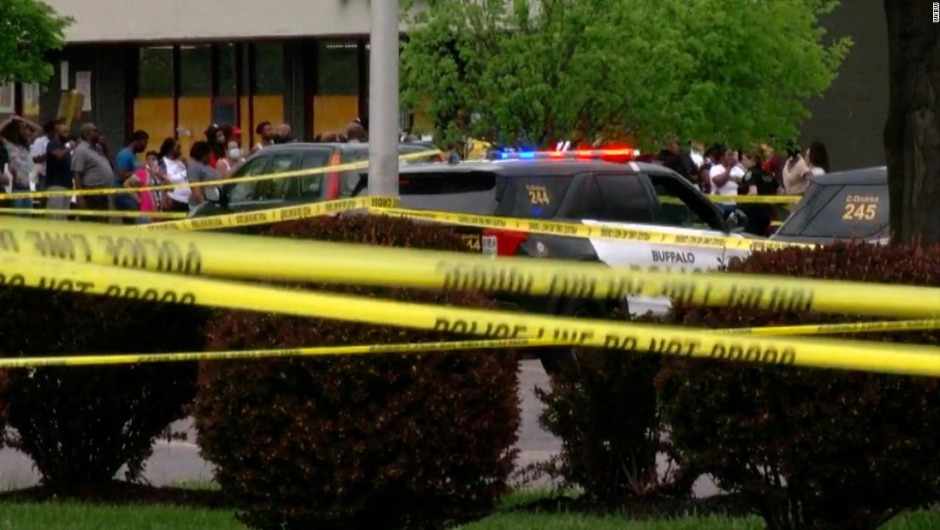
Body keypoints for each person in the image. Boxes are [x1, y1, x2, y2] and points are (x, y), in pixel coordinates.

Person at [71, 123, 116, 219]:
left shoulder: (99, 148)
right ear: (86, 133)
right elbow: (77, 174)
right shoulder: (81, 150)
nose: (98, 133)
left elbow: (112, 164)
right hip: (92, 193)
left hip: (104, 194)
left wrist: (105, 147)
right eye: (95, 131)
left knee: (103, 223)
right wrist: (80, 196)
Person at [0, 115, 42, 209]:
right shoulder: (8, 144)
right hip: (15, 188)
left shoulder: (26, 145)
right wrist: (9, 120)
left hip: (27, 187)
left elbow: (39, 130)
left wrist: (23, 120)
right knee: (17, 217)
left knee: (28, 218)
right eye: (23, 129)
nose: (27, 132)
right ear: (16, 131)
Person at [739, 149, 780, 236]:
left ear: (753, 159)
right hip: (766, 213)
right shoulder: (768, 173)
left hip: (752, 214)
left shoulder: (750, 173)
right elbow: (780, 191)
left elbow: (753, 192)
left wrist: (740, 204)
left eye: (744, 159)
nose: (742, 162)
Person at [114, 130, 150, 225]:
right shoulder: (125, 154)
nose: (145, 147)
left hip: (133, 195)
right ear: (136, 141)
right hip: (124, 195)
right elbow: (121, 175)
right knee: (132, 223)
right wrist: (138, 175)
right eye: (144, 143)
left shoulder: (134, 156)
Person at [44, 119, 76, 220]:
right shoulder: (53, 143)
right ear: (57, 131)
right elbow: (58, 155)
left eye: (68, 132)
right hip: (56, 184)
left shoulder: (64, 146)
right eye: (64, 132)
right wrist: (71, 148)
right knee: (54, 216)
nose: (67, 134)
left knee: (63, 217)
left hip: (67, 184)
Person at [158, 137, 190, 212]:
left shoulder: (181, 161)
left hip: (187, 199)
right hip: (173, 200)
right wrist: (164, 197)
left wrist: (186, 164)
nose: (179, 150)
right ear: (170, 149)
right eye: (177, 148)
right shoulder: (163, 163)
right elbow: (162, 182)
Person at [187, 140, 220, 210]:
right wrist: (203, 206)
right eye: (209, 153)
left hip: (212, 202)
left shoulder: (206, 166)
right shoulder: (194, 167)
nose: (211, 156)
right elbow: (196, 189)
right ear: (203, 155)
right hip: (201, 205)